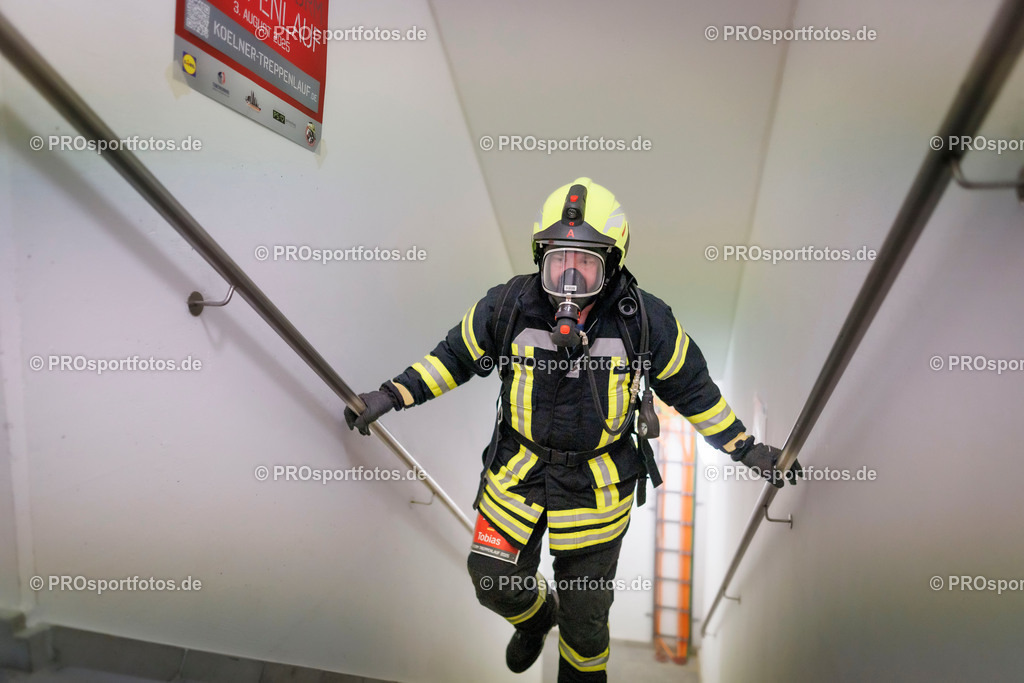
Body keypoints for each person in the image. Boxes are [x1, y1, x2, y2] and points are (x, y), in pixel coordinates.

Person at [345, 178, 800, 682]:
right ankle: (539, 618)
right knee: (491, 579)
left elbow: (694, 392)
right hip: (514, 476)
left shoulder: (646, 321)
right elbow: (453, 357)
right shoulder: (508, 305)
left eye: (587, 262)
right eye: (559, 258)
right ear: (541, 255)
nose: (569, 276)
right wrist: (391, 394)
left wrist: (747, 449)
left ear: (613, 263)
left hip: (597, 491)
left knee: (585, 629)